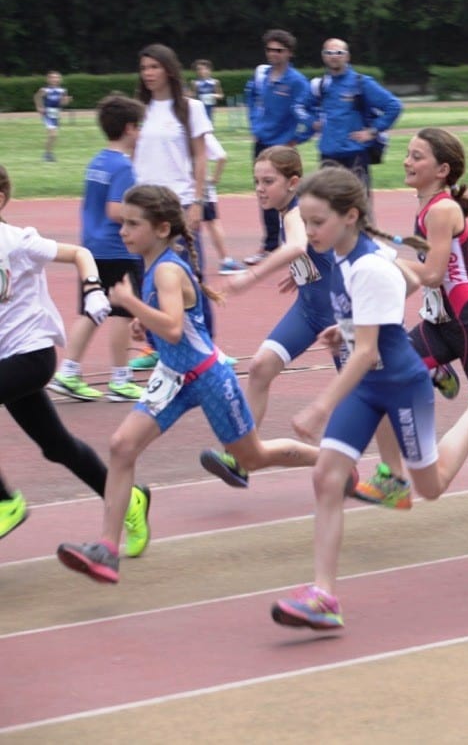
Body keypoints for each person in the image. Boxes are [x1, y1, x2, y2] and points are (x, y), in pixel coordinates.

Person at [269, 167, 468, 629]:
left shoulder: (369, 265)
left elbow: (371, 349)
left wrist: (321, 405)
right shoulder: (346, 256)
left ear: (349, 216)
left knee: (430, 488)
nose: (309, 232)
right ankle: (323, 595)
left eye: (317, 222)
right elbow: (406, 286)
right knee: (327, 478)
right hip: (367, 387)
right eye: (307, 223)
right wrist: (351, 326)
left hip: (399, 384)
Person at [57, 185, 321, 583]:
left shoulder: (164, 268)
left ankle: (333, 460)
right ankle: (107, 548)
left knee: (253, 457)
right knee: (121, 445)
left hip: (209, 378)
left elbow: (176, 329)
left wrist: (133, 306)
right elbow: (170, 321)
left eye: (133, 224)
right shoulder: (154, 263)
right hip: (172, 378)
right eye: (123, 222)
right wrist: (143, 317)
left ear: (162, 228)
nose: (123, 230)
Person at [198, 152, 415, 511]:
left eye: (268, 182)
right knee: (261, 367)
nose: (259, 190)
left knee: (369, 394)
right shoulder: (290, 214)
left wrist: (251, 277)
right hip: (308, 309)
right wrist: (302, 269)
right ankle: (239, 456)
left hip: (339, 317)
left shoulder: (300, 211)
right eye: (256, 181)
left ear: (293, 183)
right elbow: (306, 252)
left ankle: (394, 475)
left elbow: (297, 244)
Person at [353, 128, 468, 503]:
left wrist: (379, 261)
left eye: (417, 157)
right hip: (440, 325)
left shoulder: (442, 209)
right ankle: (392, 478)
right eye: (408, 154)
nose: (406, 161)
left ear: (442, 169)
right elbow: (426, 278)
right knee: (380, 377)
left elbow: (432, 274)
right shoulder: (428, 206)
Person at [0, 164, 150, 548]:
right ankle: (129, 500)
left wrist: (94, 290)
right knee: (57, 446)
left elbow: (80, 253)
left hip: (31, 356)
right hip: (7, 362)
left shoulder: (17, 241)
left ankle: (5, 502)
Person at [49, 95, 147, 403]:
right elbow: (116, 210)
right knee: (120, 312)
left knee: (92, 310)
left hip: (92, 247)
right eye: (139, 127)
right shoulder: (123, 167)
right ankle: (120, 377)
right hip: (117, 248)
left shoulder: (98, 161)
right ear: (130, 128)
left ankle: (68, 371)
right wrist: (146, 215)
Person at [128, 43, 215, 371]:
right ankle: (156, 344)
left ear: (168, 69)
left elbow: (200, 155)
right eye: (144, 68)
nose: (148, 74)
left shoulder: (190, 108)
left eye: (154, 67)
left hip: (178, 202)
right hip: (144, 205)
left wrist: (197, 200)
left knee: (190, 274)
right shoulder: (139, 109)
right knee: (148, 276)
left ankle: (206, 343)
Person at [244, 29, 313, 266]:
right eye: (270, 50)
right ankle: (270, 245)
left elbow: (309, 115)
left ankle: (297, 242)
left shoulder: (296, 82)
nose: (273, 54)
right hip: (262, 144)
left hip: (283, 147)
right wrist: (255, 124)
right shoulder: (261, 76)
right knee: (264, 194)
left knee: (289, 195)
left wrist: (296, 139)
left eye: (279, 50)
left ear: (289, 53)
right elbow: (252, 99)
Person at [308, 38, 402, 198]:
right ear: (323, 56)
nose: (334, 56)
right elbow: (302, 106)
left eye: (339, 52)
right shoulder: (321, 85)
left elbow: (394, 106)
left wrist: (373, 131)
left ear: (347, 56)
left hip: (354, 155)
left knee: (359, 207)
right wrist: (311, 122)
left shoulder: (361, 83)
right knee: (328, 207)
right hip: (328, 155)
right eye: (329, 52)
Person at [200, 133, 247, 275]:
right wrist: (215, 178)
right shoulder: (201, 132)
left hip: (176, 186)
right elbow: (222, 156)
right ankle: (225, 260)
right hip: (199, 184)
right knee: (212, 222)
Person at [33, 71, 72, 162]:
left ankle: (48, 153)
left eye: (57, 77)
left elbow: (62, 103)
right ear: (48, 79)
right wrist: (39, 107)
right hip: (47, 114)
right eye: (52, 77)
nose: (55, 79)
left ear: (60, 79)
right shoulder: (45, 90)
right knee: (53, 134)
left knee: (53, 136)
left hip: (56, 114)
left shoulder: (62, 91)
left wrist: (66, 100)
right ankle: (47, 155)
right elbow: (37, 97)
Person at [190, 59, 224, 124]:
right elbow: (193, 96)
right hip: (199, 107)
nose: (202, 71)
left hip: (210, 107)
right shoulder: (194, 83)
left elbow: (221, 95)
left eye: (205, 69)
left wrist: (214, 96)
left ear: (210, 70)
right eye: (199, 69)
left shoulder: (215, 82)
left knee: (209, 123)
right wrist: (192, 95)